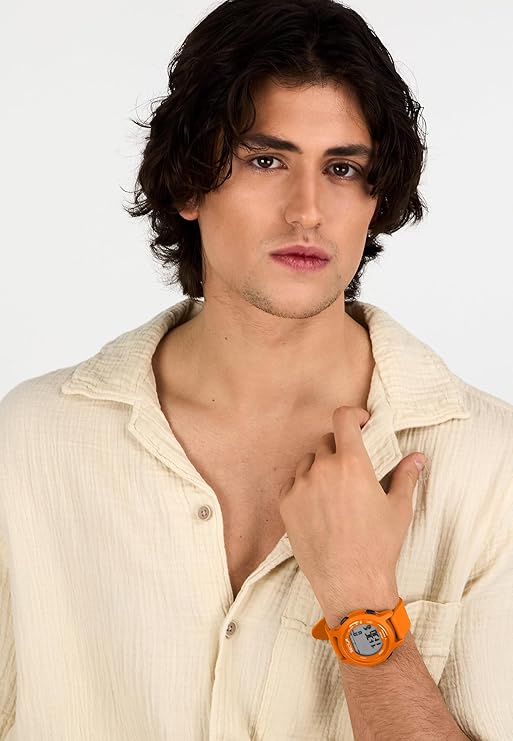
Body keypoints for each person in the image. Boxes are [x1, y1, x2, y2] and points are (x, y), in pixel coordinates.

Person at [0, 0, 511, 738]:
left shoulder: (492, 468)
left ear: (373, 201)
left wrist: (364, 608)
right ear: (188, 184)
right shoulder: (29, 444)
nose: (307, 210)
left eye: (342, 168)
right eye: (265, 160)